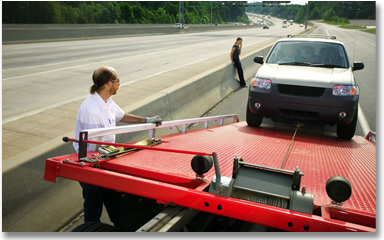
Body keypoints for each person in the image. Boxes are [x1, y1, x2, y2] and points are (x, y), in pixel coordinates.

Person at [73, 66, 162, 226]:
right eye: (117, 80)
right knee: (94, 204)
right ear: (108, 83)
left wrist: (147, 120)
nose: (119, 83)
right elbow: (92, 146)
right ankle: (90, 230)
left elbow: (122, 116)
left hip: (105, 159)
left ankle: (119, 226)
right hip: (90, 163)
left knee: (113, 199)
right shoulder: (91, 109)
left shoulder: (107, 101)